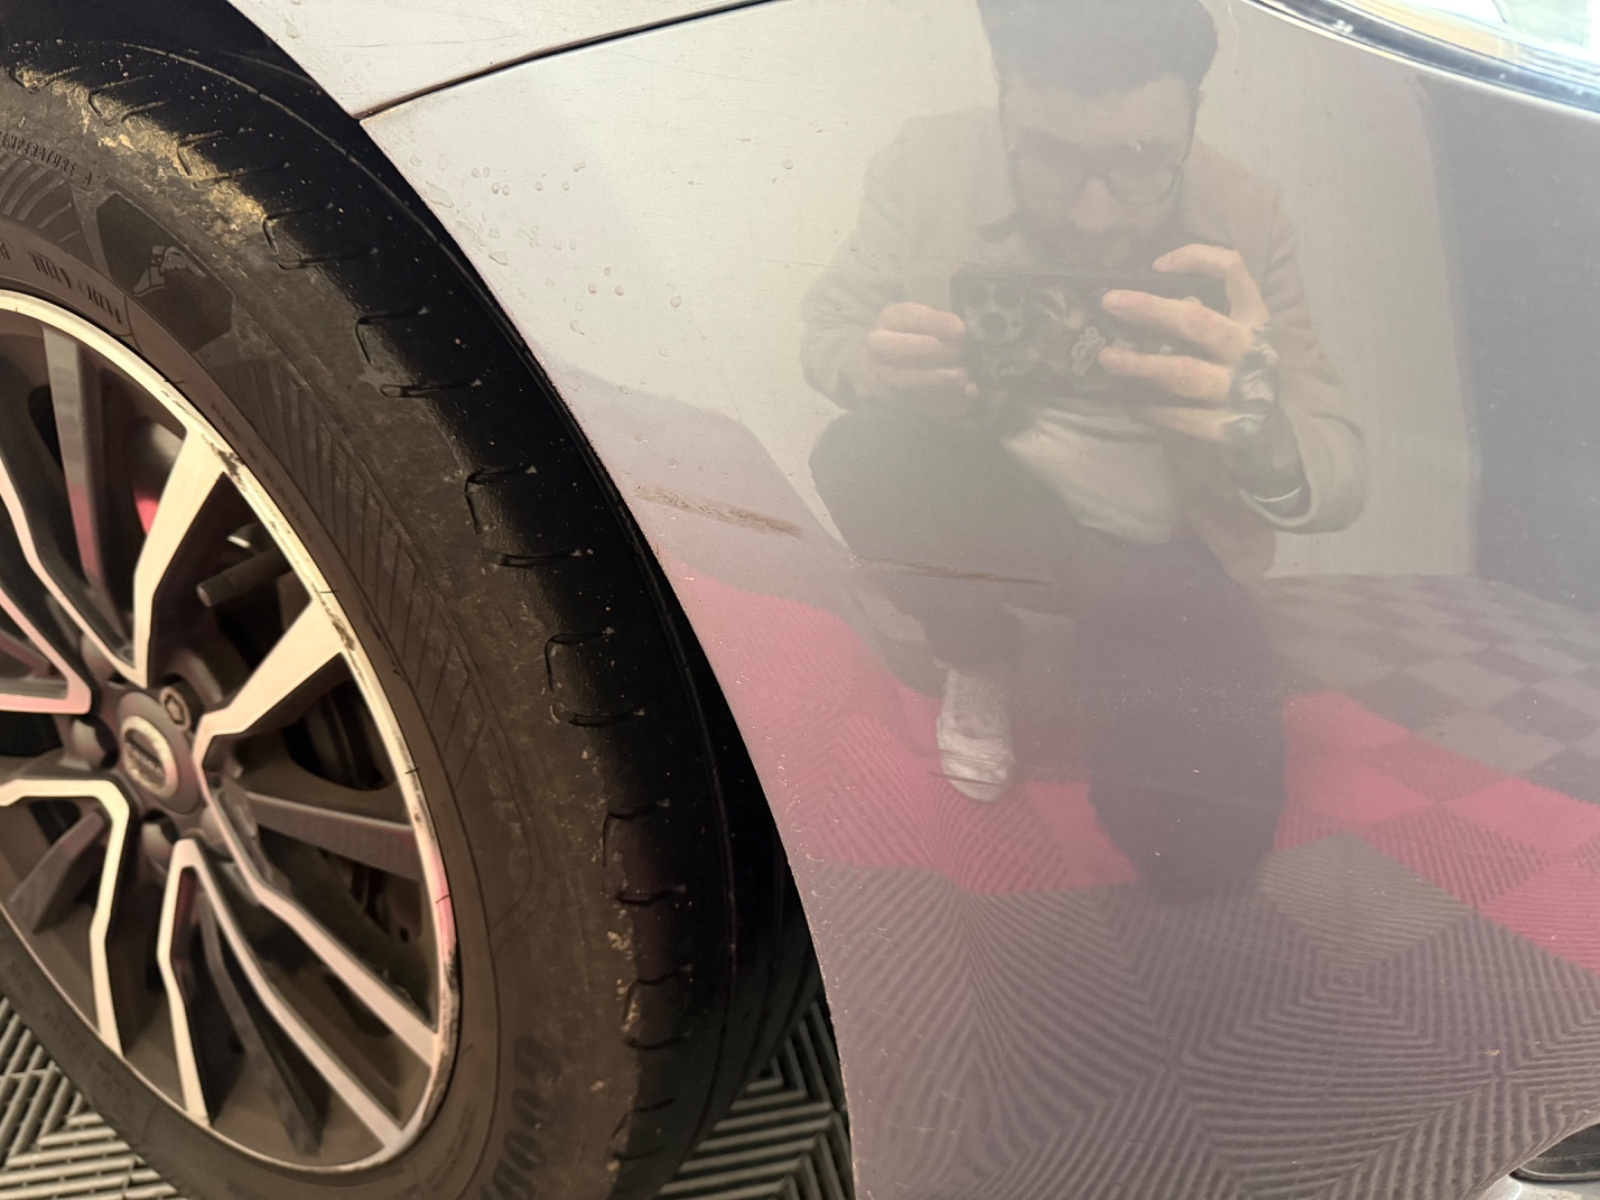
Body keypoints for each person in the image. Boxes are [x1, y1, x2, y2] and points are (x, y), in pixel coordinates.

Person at [802, 0, 1365, 894]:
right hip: (994, 501)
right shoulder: (925, 161)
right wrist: (882, 367)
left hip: (1168, 554)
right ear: (1004, 102)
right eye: (1052, 156)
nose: (1094, 216)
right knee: (862, 450)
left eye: (1140, 160)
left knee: (1199, 856)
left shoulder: (1247, 212)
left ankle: (1114, 643)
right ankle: (975, 649)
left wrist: (1259, 426)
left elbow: (1340, 469)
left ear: (1192, 122)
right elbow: (830, 332)